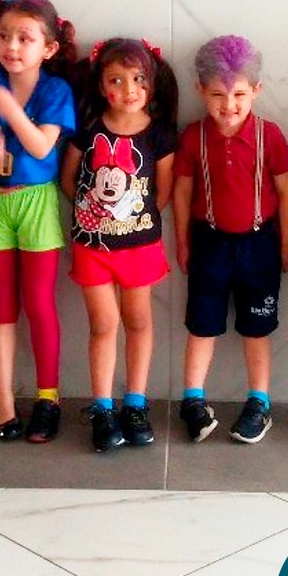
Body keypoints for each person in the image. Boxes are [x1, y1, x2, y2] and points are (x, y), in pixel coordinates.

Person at [0, 0, 77, 443]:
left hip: (37, 201)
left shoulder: (56, 90)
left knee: (39, 303)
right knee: (1, 308)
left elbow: (42, 145)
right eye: (4, 36)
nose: (11, 46)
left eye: (25, 38)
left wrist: (10, 111)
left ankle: (48, 399)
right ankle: (5, 404)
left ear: (48, 48)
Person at [172, 36, 288, 445]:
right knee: (202, 324)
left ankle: (259, 402)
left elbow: (286, 191)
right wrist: (183, 242)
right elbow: (182, 192)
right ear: (200, 91)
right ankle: (193, 400)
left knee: (256, 328)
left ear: (256, 90)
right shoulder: (193, 137)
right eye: (218, 95)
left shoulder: (269, 135)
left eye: (239, 95)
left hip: (259, 246)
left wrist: (287, 243)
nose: (229, 105)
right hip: (209, 243)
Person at [61, 37, 178, 452]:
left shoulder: (160, 134)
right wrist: (92, 215)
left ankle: (135, 404)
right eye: (116, 80)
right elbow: (68, 179)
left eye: (138, 79)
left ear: (152, 84)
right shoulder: (88, 130)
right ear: (101, 86)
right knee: (104, 325)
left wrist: (133, 221)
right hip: (92, 249)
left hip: (140, 248)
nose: (129, 90)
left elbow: (163, 191)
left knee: (139, 322)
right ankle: (103, 408)